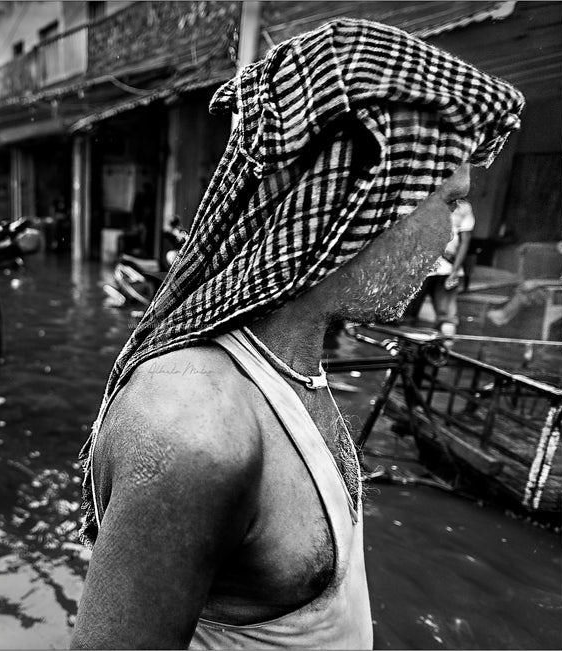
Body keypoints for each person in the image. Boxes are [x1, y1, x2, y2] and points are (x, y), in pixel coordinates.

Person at [71, 19, 523, 650]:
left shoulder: (294, 364)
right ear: (365, 201)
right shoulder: (194, 428)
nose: (449, 242)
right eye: (446, 202)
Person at [403, 198, 476, 338]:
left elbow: (465, 240)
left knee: (446, 318)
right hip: (422, 269)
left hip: (446, 269)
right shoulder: (424, 200)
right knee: (407, 315)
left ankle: (443, 353)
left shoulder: (463, 207)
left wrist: (455, 270)